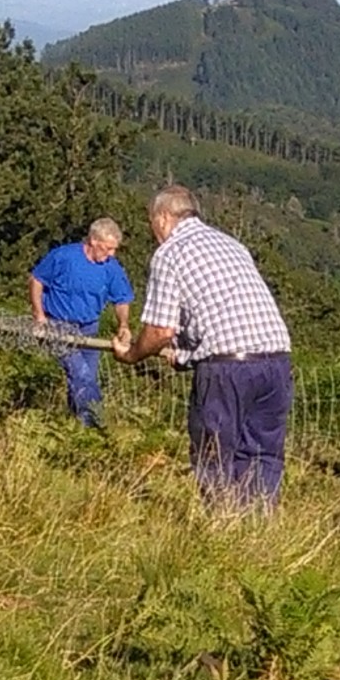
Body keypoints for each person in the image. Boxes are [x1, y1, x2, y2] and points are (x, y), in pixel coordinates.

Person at [112, 185, 292, 509]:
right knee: (263, 452)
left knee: (214, 454)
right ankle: (260, 530)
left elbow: (160, 330)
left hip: (227, 368)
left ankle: (222, 531)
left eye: (152, 222)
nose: (154, 232)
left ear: (164, 217)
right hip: (276, 359)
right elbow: (217, 311)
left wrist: (132, 354)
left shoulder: (170, 253)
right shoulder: (232, 245)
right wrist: (184, 355)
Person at [29, 218, 134, 428]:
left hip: (89, 327)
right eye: (107, 248)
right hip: (59, 325)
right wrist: (39, 315)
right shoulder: (64, 257)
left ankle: (75, 427)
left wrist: (123, 324)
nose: (111, 254)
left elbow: (121, 298)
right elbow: (36, 280)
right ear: (93, 240)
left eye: (115, 249)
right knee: (81, 373)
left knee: (85, 379)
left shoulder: (111, 268)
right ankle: (96, 424)